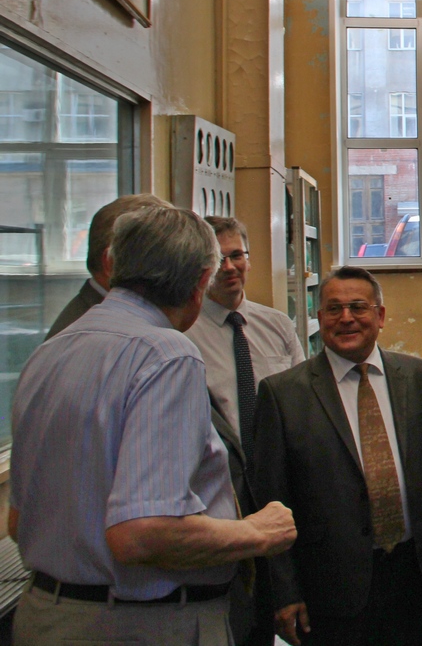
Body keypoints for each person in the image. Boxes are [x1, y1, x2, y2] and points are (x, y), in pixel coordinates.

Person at [9, 204, 297, 645]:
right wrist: (256, 532)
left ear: (114, 264)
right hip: (142, 624)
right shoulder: (167, 354)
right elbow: (142, 536)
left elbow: (18, 520)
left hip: (46, 613)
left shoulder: (50, 351)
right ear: (202, 281)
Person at [254, 266, 422, 646]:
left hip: (410, 574)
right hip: (328, 584)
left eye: (358, 307)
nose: (346, 318)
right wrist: (284, 591)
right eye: (334, 309)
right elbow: (272, 498)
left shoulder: (420, 378)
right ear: (320, 317)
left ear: (380, 315)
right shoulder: (283, 394)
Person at [185, 216, 305, 645]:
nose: (230, 267)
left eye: (237, 255)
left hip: (278, 489)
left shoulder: (278, 325)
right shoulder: (184, 335)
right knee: (236, 617)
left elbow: (303, 403)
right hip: (221, 497)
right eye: (219, 259)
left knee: (281, 606)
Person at [45, 192, 169, 339]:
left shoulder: (109, 321)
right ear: (111, 263)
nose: (172, 272)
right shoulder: (96, 335)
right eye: (160, 258)